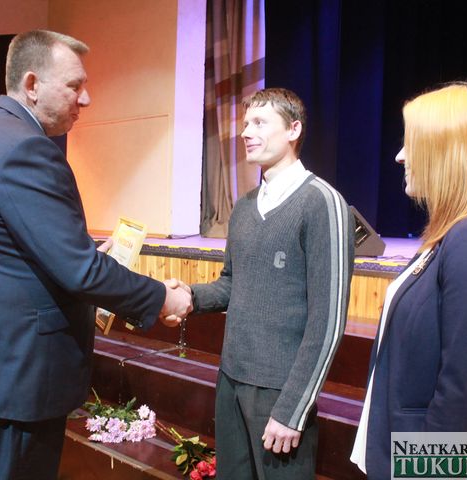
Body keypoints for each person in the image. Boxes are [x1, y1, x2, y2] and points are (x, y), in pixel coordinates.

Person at [0, 30, 191, 480]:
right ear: (31, 84)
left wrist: (79, 254)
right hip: (16, 372)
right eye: (74, 85)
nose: (86, 99)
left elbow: (15, 250)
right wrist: (161, 298)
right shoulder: (25, 148)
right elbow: (80, 270)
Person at [173, 88, 354, 479]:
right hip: (231, 380)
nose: (245, 132)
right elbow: (230, 283)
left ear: (293, 130)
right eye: (245, 124)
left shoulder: (322, 202)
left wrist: (293, 409)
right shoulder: (243, 207)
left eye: (259, 122)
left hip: (280, 392)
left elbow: (328, 322)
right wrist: (188, 296)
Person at [350, 82, 467, 479]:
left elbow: (460, 389)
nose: (400, 156)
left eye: (411, 143)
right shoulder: (452, 236)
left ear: (447, 152)